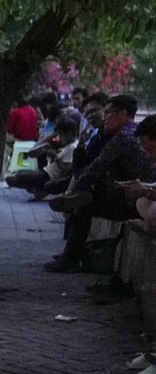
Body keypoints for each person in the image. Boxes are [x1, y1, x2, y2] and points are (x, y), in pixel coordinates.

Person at [45, 95, 156, 272]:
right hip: (127, 193)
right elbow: (88, 161)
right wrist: (92, 138)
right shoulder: (120, 134)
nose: (105, 117)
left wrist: (75, 188)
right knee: (81, 196)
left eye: (108, 112)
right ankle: (72, 252)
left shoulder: (125, 136)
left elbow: (98, 165)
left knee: (83, 204)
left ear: (123, 114)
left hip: (133, 198)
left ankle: (71, 257)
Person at [4, 114, 79, 199]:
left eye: (61, 135)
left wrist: (55, 157)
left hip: (49, 176)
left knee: (11, 179)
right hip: (46, 171)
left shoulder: (72, 147)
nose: (59, 138)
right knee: (18, 172)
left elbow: (65, 171)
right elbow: (35, 148)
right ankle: (37, 189)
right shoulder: (67, 145)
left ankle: (39, 189)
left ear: (68, 133)